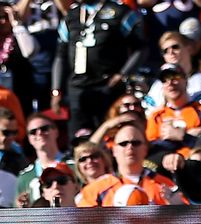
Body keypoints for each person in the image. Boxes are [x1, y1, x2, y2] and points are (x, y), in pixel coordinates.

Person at [51, 0, 146, 134]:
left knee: (111, 134)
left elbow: (141, 48)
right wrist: (56, 90)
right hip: (78, 89)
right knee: (79, 138)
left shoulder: (120, 11)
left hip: (109, 86)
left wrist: (122, 74)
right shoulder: (71, 15)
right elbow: (60, 56)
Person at [78, 123, 175, 207]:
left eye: (135, 143)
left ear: (145, 149)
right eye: (124, 143)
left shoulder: (165, 185)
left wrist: (174, 205)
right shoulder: (95, 190)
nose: (130, 147)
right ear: (114, 150)